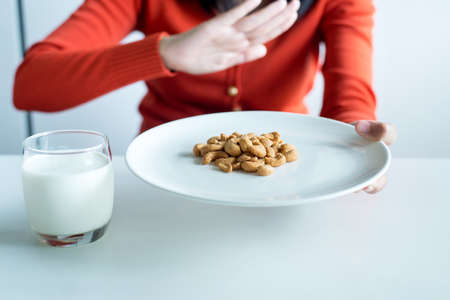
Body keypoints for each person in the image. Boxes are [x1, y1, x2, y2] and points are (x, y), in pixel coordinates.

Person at [13, 0, 397, 193]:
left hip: (284, 184)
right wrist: (166, 53)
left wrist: (358, 139)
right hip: (157, 181)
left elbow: (349, 99)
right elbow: (31, 85)